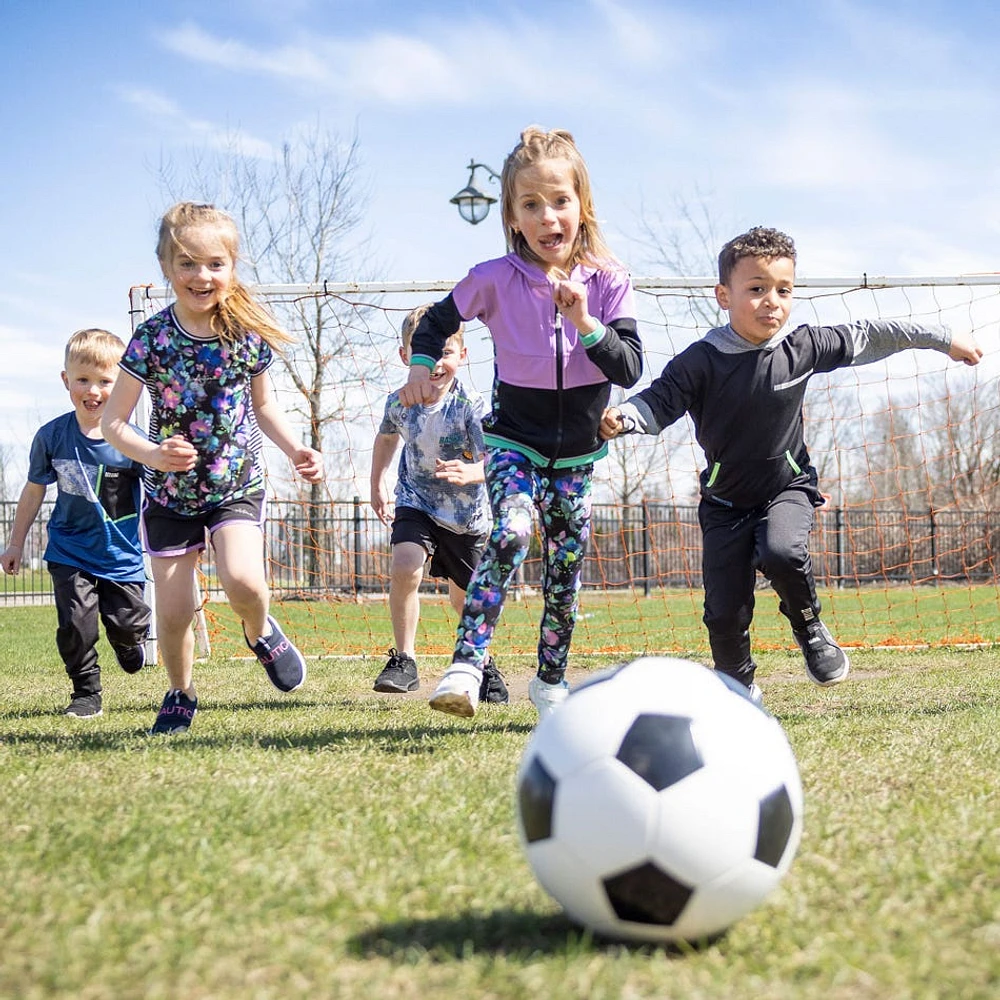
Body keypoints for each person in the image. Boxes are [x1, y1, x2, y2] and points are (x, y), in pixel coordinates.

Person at [600, 226, 983, 702]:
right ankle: (737, 690)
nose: (771, 302)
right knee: (723, 612)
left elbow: (873, 334)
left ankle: (810, 628)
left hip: (788, 486)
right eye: (756, 289)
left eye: (783, 290)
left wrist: (943, 338)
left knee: (780, 551)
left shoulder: (800, 347)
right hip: (723, 503)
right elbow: (658, 402)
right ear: (724, 295)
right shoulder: (700, 362)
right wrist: (623, 417)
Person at [398, 126, 644, 720]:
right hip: (514, 440)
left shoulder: (608, 281)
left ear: (582, 206)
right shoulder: (493, 277)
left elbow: (630, 366)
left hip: (579, 454)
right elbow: (433, 323)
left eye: (559, 201)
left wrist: (586, 322)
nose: (547, 216)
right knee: (510, 529)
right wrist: (423, 366)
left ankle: (550, 678)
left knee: (569, 555)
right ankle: (466, 664)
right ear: (511, 214)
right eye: (530, 204)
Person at [102, 202, 324, 735]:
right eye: (187, 264)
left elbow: (266, 407)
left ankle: (259, 629)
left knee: (244, 580)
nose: (202, 276)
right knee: (175, 611)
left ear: (232, 266)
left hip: (236, 483)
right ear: (166, 268)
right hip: (168, 494)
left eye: (215, 264)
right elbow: (114, 422)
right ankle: (181, 692)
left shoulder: (245, 336)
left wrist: (296, 448)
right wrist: (153, 455)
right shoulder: (151, 340)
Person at [1, 329, 152, 719]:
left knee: (127, 624)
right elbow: (33, 491)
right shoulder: (51, 436)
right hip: (69, 549)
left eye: (106, 381)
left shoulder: (134, 442)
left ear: (122, 386)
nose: (94, 390)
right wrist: (15, 543)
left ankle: (128, 641)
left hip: (121, 554)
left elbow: (157, 493)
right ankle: (86, 692)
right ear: (67, 380)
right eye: (83, 379)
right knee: (75, 625)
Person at [370, 305, 507, 704]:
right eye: (424, 353)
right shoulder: (399, 402)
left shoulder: (471, 406)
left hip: (467, 516)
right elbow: (386, 438)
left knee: (464, 598)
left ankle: (480, 662)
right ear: (405, 357)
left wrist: (472, 473)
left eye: (446, 352)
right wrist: (377, 482)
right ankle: (404, 660)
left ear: (462, 356)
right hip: (416, 499)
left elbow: (495, 458)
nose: (435, 362)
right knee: (404, 565)